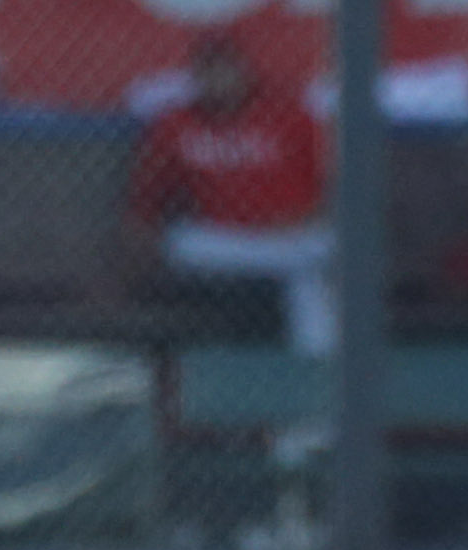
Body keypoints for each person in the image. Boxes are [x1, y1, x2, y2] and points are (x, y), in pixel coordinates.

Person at [128, 37, 332, 356]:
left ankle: (319, 367)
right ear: (194, 79)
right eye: (207, 73)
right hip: (222, 239)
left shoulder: (291, 116)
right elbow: (147, 197)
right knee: (180, 244)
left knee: (310, 269)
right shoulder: (176, 124)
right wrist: (143, 238)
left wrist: (305, 218)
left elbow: (332, 182)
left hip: (290, 237)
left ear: (244, 72)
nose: (218, 82)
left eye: (226, 71)